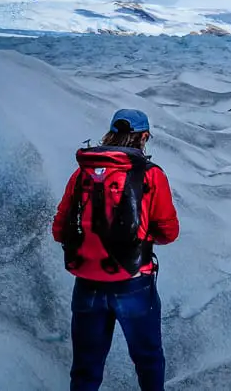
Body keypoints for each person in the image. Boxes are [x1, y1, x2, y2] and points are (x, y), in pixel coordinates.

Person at [52, 109, 179, 391]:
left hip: (87, 283)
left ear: (110, 133)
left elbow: (59, 230)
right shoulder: (151, 175)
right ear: (144, 137)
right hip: (134, 282)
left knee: (85, 369)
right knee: (148, 360)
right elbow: (169, 232)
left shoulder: (81, 173)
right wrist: (139, 239)